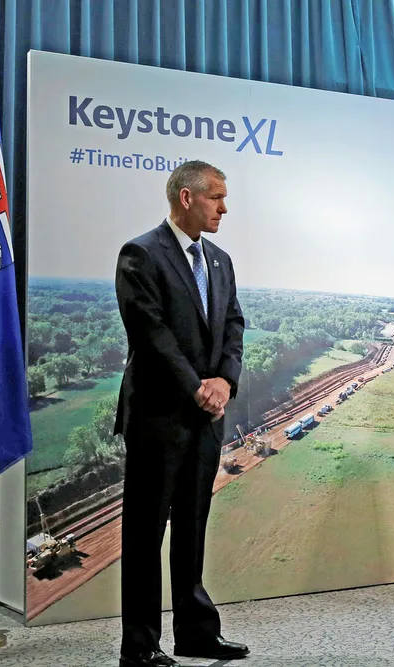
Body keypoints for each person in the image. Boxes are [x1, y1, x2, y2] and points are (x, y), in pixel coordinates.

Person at [114, 160, 247, 667]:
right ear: (186, 198)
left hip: (206, 419)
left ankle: (196, 635)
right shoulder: (141, 254)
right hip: (158, 417)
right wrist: (197, 388)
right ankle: (140, 646)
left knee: (192, 527)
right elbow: (152, 336)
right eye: (216, 196)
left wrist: (224, 382)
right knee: (145, 534)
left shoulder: (221, 261)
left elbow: (233, 325)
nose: (224, 208)